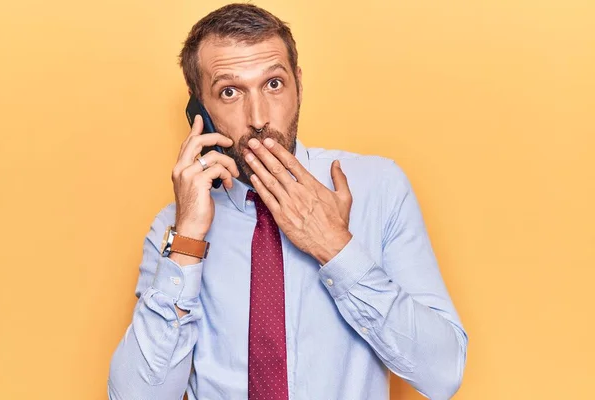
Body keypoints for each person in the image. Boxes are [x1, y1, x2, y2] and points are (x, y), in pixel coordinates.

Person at [108, 4, 468, 400]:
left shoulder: (378, 188)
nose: (259, 117)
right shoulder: (175, 229)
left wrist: (335, 247)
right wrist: (189, 240)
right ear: (199, 111)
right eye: (230, 92)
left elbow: (442, 373)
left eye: (273, 84)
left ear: (298, 84)